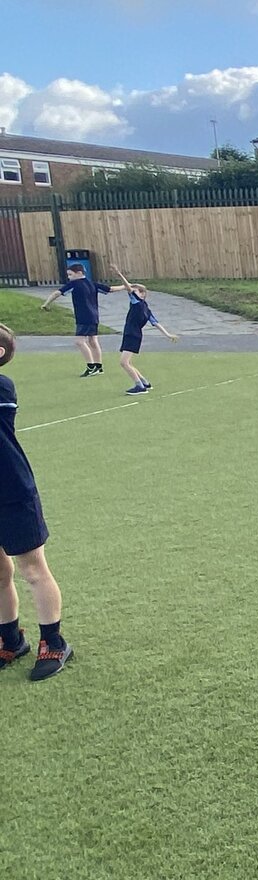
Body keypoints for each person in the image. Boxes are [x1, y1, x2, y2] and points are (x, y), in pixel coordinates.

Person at [0, 324, 75, 681]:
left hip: (12, 492)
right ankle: (11, 640)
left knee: (32, 569)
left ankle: (54, 642)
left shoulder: (2, 386)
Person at [40, 264, 129, 377]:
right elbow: (110, 289)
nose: (69, 277)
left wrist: (46, 304)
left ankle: (91, 366)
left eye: (70, 274)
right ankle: (98, 366)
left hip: (83, 317)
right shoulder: (92, 283)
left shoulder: (74, 284)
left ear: (79, 273)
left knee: (79, 341)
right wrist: (125, 286)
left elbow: (57, 293)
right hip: (94, 316)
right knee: (92, 341)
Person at [117, 284, 178, 395]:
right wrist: (167, 334)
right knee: (129, 362)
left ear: (142, 294)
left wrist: (118, 273)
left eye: (136, 292)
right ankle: (145, 383)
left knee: (124, 362)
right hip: (132, 334)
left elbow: (128, 287)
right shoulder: (145, 308)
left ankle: (139, 386)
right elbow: (155, 323)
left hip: (132, 335)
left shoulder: (138, 303)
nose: (132, 293)